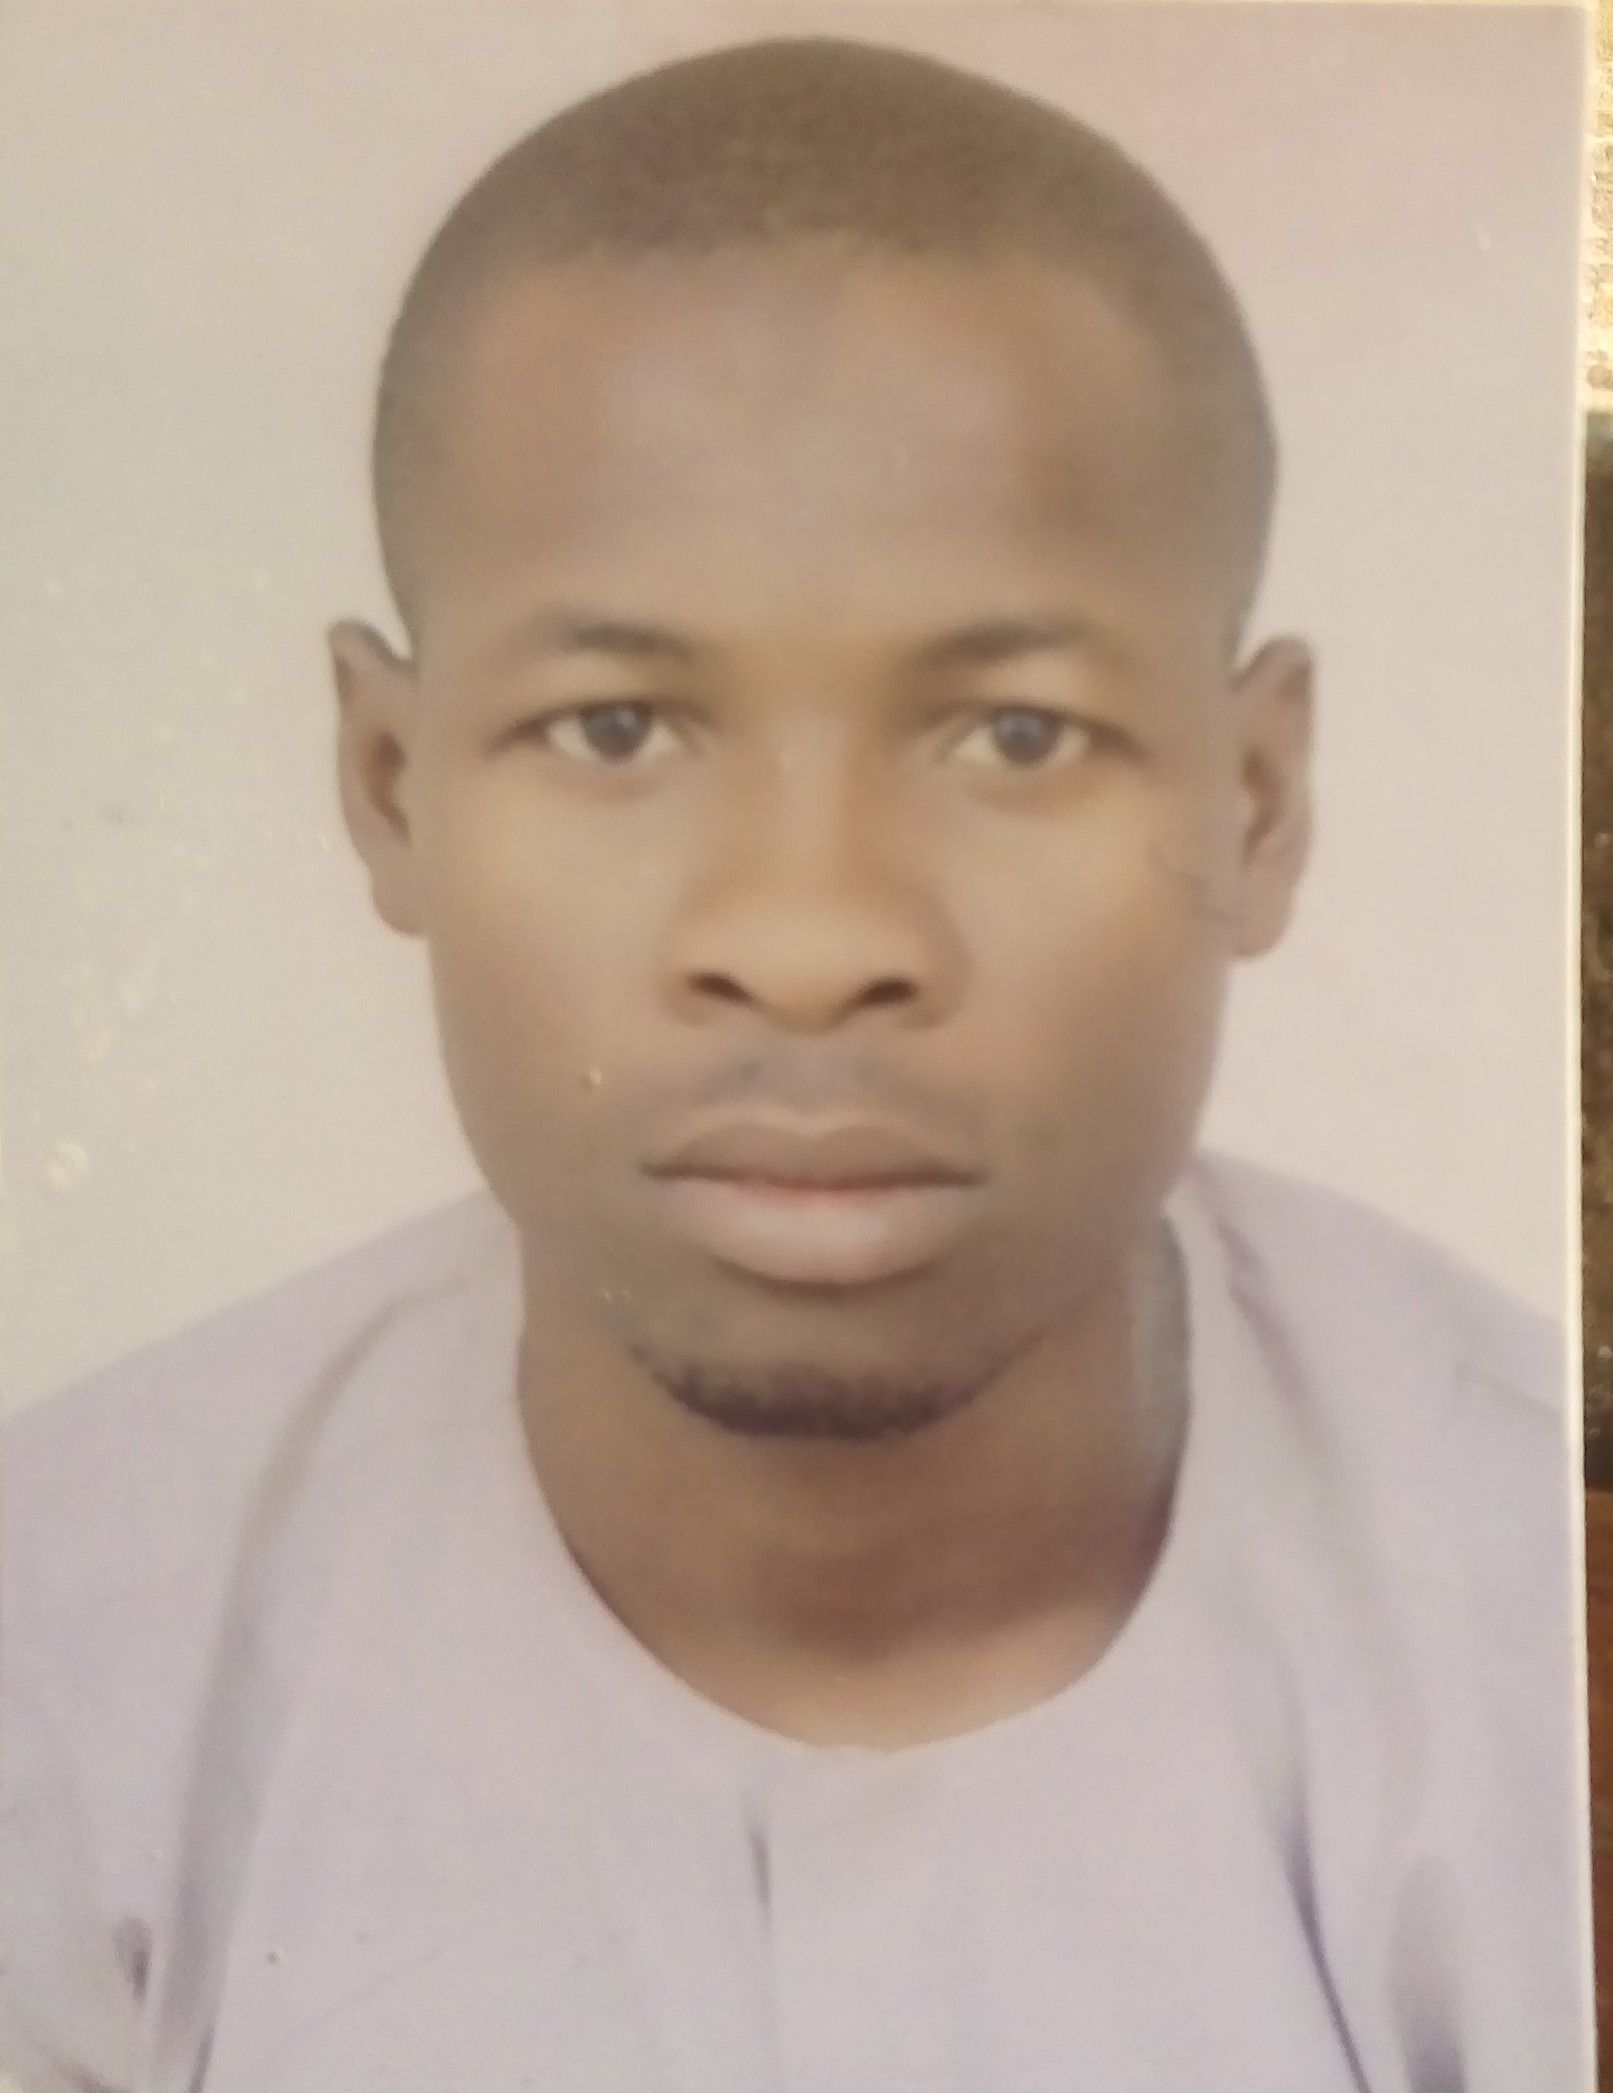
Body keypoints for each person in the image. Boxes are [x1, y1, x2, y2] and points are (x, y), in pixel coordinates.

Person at [0, 35, 1586, 2093]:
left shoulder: (1531, 1632)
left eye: (1015, 735)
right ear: (389, 786)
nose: (814, 937)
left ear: (1258, 800)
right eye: (617, 730)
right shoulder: (71, 1651)